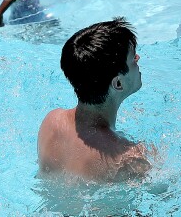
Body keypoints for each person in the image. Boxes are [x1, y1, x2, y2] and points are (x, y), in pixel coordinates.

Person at [37, 18, 149, 182]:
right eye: (132, 58)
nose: (138, 58)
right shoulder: (128, 158)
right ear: (118, 83)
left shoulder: (51, 122)